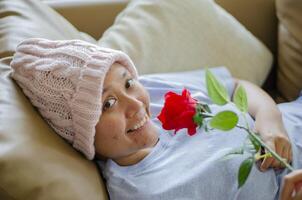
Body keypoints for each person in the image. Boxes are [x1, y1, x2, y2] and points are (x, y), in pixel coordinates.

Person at [10, 38, 302, 200]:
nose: (136, 103)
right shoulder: (150, 192)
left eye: (127, 83)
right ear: (81, 132)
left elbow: (237, 86)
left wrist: (270, 120)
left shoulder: (152, 90)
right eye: (107, 104)